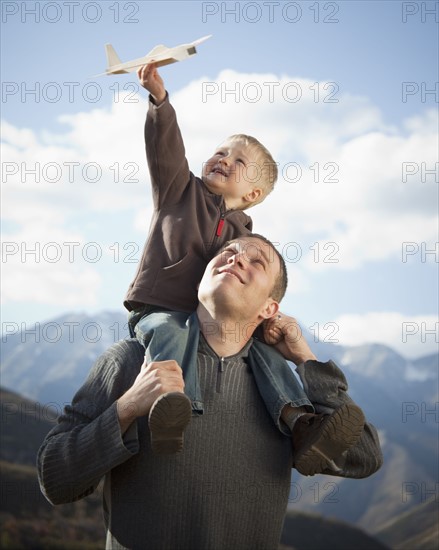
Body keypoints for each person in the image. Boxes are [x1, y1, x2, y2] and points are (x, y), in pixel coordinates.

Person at [37, 234, 383, 550]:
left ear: (269, 309)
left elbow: (365, 455)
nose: (236, 259)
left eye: (256, 260)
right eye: (228, 252)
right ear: (202, 278)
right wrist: (125, 408)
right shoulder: (130, 361)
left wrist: (305, 360)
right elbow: (54, 480)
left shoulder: (288, 396)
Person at [122, 64, 360, 459]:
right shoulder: (178, 190)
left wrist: (269, 322)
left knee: (261, 352)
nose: (224, 160)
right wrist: (160, 102)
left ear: (252, 195)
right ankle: (171, 406)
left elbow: (250, 287)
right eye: (219, 152)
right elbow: (165, 148)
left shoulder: (244, 239)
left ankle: (300, 423)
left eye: (238, 162)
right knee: (169, 330)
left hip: (208, 321)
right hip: (159, 307)